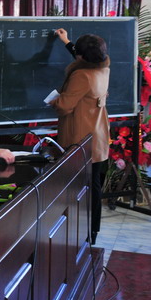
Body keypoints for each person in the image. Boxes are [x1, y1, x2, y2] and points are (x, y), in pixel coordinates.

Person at [51, 28, 110, 245]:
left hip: (80, 138)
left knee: (78, 189)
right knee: (93, 186)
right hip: (97, 136)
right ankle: (92, 232)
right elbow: (83, 57)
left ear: (82, 56)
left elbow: (65, 106)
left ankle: (80, 233)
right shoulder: (103, 68)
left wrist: (53, 100)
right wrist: (66, 41)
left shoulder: (81, 75)